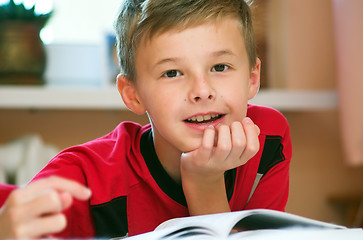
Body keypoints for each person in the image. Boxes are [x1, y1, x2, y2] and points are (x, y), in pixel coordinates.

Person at [0, 0, 292, 238]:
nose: (202, 91)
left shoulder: (268, 139)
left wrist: (205, 184)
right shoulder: (89, 178)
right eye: (172, 73)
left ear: (252, 78)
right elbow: (14, 215)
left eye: (220, 66)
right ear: (133, 94)